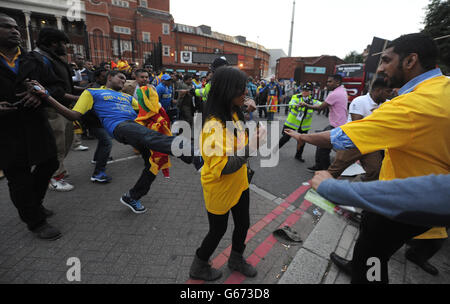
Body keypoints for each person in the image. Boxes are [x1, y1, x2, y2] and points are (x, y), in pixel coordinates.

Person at [285, 33, 449, 284]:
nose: (381, 68)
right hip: (426, 204)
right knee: (373, 246)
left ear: (410, 60)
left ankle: (364, 274)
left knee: (372, 257)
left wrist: (303, 137)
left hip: (399, 203)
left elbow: (341, 138)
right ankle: (357, 264)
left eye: (386, 60)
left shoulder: (409, 106)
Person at [28, 71, 202, 214]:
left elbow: (147, 110)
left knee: (153, 163)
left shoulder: (128, 98)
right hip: (120, 127)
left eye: (125, 79)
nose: (123, 80)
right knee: (150, 137)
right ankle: (194, 154)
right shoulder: (93, 93)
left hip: (136, 128)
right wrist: (47, 96)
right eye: (120, 77)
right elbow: (74, 115)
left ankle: (132, 196)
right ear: (109, 77)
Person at [189, 66, 267, 281]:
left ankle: (236, 258)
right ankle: (198, 265)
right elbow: (223, 167)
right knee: (218, 230)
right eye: (242, 90)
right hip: (220, 187)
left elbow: (236, 138)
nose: (246, 93)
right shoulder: (213, 125)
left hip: (240, 182)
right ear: (227, 90)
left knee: (243, 224)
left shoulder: (231, 111)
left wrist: (247, 112)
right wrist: (253, 147)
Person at [0, 13, 66, 240]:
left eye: (16, 27)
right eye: (6, 27)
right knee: (19, 177)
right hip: (6, 131)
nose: (14, 30)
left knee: (50, 163)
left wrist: (42, 96)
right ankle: (35, 221)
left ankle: (34, 204)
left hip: (36, 124)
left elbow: (57, 87)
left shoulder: (33, 61)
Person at [33, 27, 81, 191]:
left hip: (63, 108)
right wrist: (76, 98)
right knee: (57, 146)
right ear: (53, 43)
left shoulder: (53, 58)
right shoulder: (38, 59)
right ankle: (53, 178)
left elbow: (65, 85)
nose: (65, 47)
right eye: (62, 43)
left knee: (65, 143)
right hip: (52, 110)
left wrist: (86, 91)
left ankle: (58, 172)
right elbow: (48, 90)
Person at [312, 171, 450, 227]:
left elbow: (437, 193)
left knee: (372, 252)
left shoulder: (411, 112)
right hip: (417, 217)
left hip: (397, 210)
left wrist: (331, 188)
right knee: (376, 252)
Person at [327, 79, 392, 181]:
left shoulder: (388, 104)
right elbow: (357, 125)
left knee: (375, 170)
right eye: (388, 91)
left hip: (370, 143)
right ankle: (319, 190)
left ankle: (361, 190)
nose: (389, 95)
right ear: (379, 90)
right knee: (335, 170)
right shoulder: (360, 101)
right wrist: (377, 116)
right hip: (352, 141)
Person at [303, 74, 348, 171]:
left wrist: (306, 105)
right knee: (322, 145)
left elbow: (320, 107)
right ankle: (320, 166)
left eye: (330, 81)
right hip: (339, 124)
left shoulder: (335, 94)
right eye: (327, 81)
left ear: (337, 82)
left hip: (336, 126)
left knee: (323, 147)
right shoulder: (342, 91)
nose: (327, 83)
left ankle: (326, 170)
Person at [135, 83, 173, 180]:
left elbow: (166, 120)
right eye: (152, 93)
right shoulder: (144, 110)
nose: (154, 94)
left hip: (159, 135)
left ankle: (162, 171)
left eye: (154, 92)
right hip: (151, 136)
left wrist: (162, 123)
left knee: (160, 153)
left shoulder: (159, 108)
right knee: (151, 157)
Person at [277, 82, 321, 162]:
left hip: (304, 125)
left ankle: (298, 155)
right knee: (285, 138)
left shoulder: (312, 100)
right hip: (292, 123)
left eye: (306, 91)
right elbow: (291, 104)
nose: (304, 92)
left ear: (310, 92)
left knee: (302, 140)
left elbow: (321, 105)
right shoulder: (296, 97)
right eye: (303, 90)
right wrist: (297, 105)